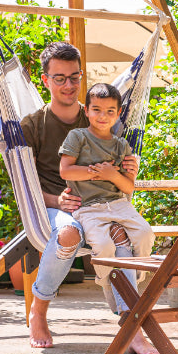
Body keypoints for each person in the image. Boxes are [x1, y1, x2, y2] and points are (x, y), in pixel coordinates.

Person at [21, 42, 159, 354]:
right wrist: (56, 201)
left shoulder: (101, 116)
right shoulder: (32, 125)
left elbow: (122, 177)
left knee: (123, 238)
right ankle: (38, 311)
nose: (68, 85)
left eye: (74, 77)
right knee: (69, 234)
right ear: (45, 81)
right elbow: (24, 187)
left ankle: (129, 325)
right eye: (59, 78)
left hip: (102, 204)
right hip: (55, 206)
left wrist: (131, 169)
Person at [59, 82, 155, 317]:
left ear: (118, 113)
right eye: (97, 110)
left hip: (120, 204)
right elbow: (66, 171)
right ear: (87, 110)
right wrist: (97, 172)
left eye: (110, 111)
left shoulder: (122, 145)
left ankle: (132, 278)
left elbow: (127, 186)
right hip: (89, 208)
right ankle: (107, 281)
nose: (103, 116)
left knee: (145, 234)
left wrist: (113, 175)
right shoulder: (78, 137)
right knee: (103, 247)